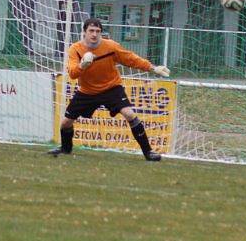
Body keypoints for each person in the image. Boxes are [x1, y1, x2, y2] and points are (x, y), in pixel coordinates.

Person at [49, 18, 171, 161]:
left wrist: (153, 68)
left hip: (111, 88)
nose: (94, 34)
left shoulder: (110, 46)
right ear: (84, 32)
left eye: (98, 31)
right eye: (91, 31)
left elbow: (130, 59)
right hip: (87, 91)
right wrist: (83, 65)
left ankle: (148, 152)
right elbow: (72, 73)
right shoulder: (75, 49)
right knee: (65, 123)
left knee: (129, 114)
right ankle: (65, 149)